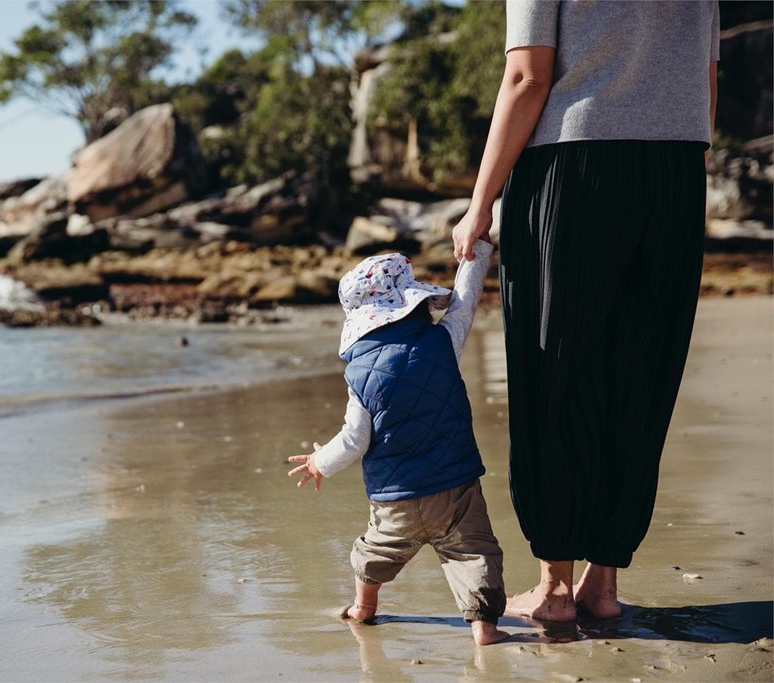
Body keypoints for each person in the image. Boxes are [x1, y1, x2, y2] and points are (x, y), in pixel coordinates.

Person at [451, 1, 720, 622]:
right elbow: (706, 80)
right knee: (642, 369)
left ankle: (554, 587)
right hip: (676, 170)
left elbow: (528, 78)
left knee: (558, 371)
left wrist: (480, 201)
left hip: (572, 165)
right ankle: (604, 584)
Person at [287, 245, 509, 646]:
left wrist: (320, 461)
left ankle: (363, 608)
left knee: (373, 554)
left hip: (395, 499)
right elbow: (465, 302)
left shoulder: (359, 373)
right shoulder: (443, 342)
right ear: (415, 303)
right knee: (475, 554)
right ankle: (484, 627)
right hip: (455, 487)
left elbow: (354, 440)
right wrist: (475, 252)